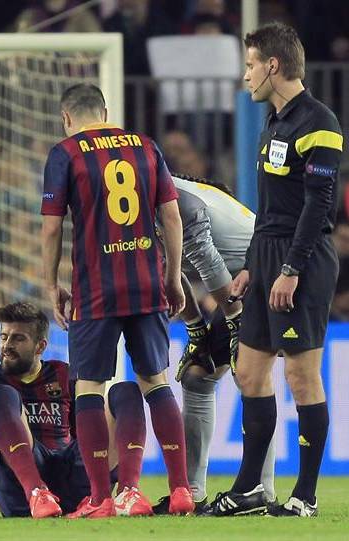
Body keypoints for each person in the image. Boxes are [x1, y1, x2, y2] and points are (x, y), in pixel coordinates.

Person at [41, 83, 193, 518]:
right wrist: (172, 277)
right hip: (146, 281)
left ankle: (99, 499)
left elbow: (51, 227)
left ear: (66, 117)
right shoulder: (146, 146)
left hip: (96, 287)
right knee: (156, 381)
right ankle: (181, 490)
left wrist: (51, 284)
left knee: (89, 386)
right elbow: (171, 216)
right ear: (105, 112)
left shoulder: (66, 153)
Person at [212, 22, 343, 517]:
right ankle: (250, 490)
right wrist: (253, 265)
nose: (245, 76)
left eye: (250, 65)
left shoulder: (319, 122)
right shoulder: (273, 123)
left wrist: (290, 268)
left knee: (301, 376)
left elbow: (319, 205)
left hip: (302, 259)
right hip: (267, 255)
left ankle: (305, 496)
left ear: (273, 65)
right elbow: (268, 209)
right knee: (249, 373)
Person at [0, 301, 152, 518]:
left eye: (18, 339)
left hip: (71, 479)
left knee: (125, 391)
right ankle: (37, 492)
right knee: (4, 395)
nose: (7, 346)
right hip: (19, 490)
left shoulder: (63, 374)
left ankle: (128, 492)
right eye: (4, 337)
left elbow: (88, 433)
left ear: (40, 346)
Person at [150, 173, 277, 514]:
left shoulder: (170, 194)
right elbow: (168, 270)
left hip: (266, 273)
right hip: (238, 283)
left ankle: (262, 491)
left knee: (250, 375)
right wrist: (196, 330)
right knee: (197, 375)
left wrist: (234, 320)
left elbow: (206, 257)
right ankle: (192, 494)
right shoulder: (146, 196)